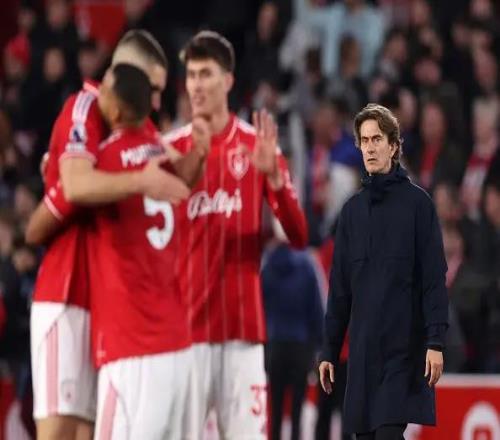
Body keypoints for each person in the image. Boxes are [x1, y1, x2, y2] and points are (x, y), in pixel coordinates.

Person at [25, 30, 203, 440]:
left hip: (108, 308)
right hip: (67, 294)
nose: (155, 102)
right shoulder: (84, 108)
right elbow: (74, 186)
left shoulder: (134, 132)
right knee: (58, 432)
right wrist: (139, 179)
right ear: (124, 74)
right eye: (152, 88)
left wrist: (197, 155)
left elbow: (175, 174)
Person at [165, 30, 308, 438]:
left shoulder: (257, 147)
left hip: (243, 335)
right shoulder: (169, 151)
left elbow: (299, 236)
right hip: (186, 335)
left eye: (206, 74)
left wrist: (275, 180)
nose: (196, 85)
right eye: (191, 75)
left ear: (227, 80)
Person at [318, 103, 449, 440]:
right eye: (364, 141)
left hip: (403, 351)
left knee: (389, 434)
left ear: (393, 146)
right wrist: (329, 350)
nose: (370, 147)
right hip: (362, 355)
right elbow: (340, 291)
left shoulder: (419, 205)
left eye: (377, 139)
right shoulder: (351, 213)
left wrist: (435, 341)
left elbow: (434, 279)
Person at [89, 63, 193, 439]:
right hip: (178, 344)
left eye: (104, 91)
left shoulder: (104, 160)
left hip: (133, 345)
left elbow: (72, 193)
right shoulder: (165, 154)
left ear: (116, 109)